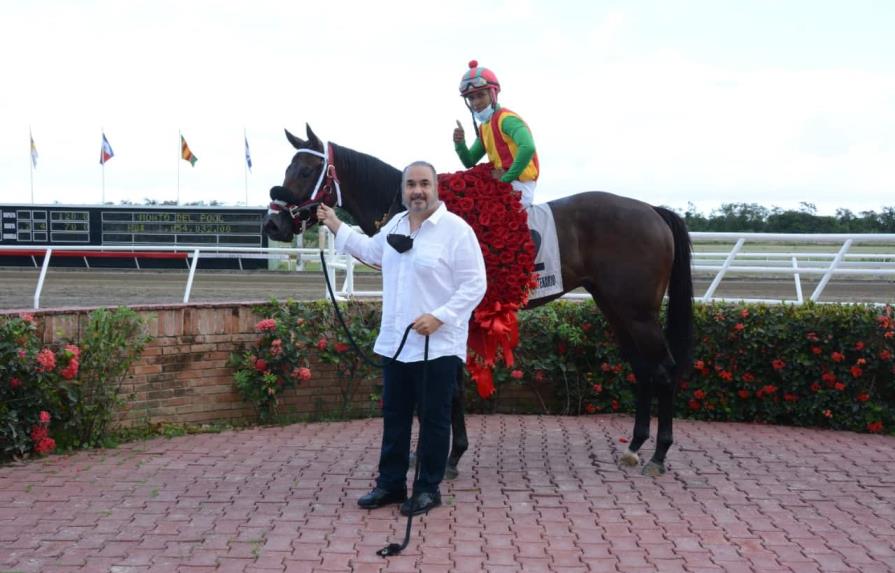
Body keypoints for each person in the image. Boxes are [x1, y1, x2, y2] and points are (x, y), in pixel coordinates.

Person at [316, 161, 486, 516]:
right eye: (411, 185)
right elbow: (373, 252)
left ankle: (427, 489)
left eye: (424, 184)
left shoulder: (457, 231)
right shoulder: (395, 223)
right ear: (404, 189)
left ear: (436, 188)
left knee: (435, 420)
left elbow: (475, 284)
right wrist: (335, 224)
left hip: (436, 346)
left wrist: (440, 316)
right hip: (396, 343)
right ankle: (391, 484)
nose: (417, 191)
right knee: (394, 417)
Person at [453, 60, 539, 208]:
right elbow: (470, 161)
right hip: (503, 181)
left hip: (520, 185)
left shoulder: (507, 119)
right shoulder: (484, 126)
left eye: (480, 95)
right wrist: (460, 144)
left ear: (493, 94)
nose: (475, 103)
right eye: (471, 98)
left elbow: (528, 147)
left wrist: (506, 179)